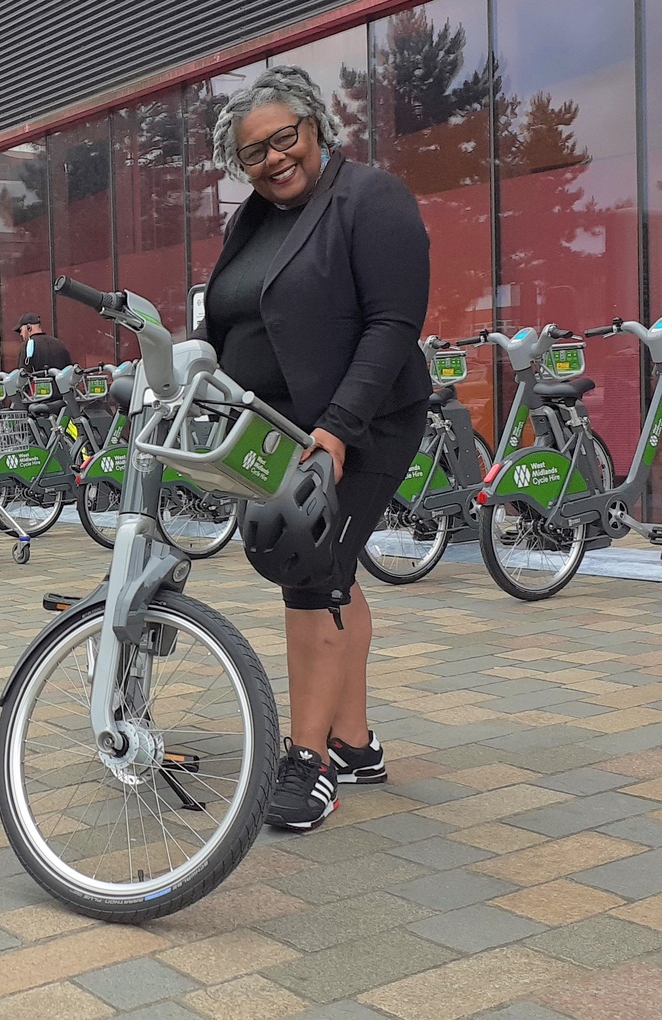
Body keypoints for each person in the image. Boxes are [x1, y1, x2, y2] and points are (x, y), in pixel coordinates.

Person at [203, 65, 431, 832]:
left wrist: (335, 429)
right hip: (281, 430)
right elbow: (235, 317)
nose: (272, 159)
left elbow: (392, 327)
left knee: (309, 567)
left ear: (316, 126)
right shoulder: (255, 220)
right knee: (330, 569)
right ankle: (356, 741)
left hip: (360, 423)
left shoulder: (370, 198)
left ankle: (308, 762)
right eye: (252, 154)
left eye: (283, 138)